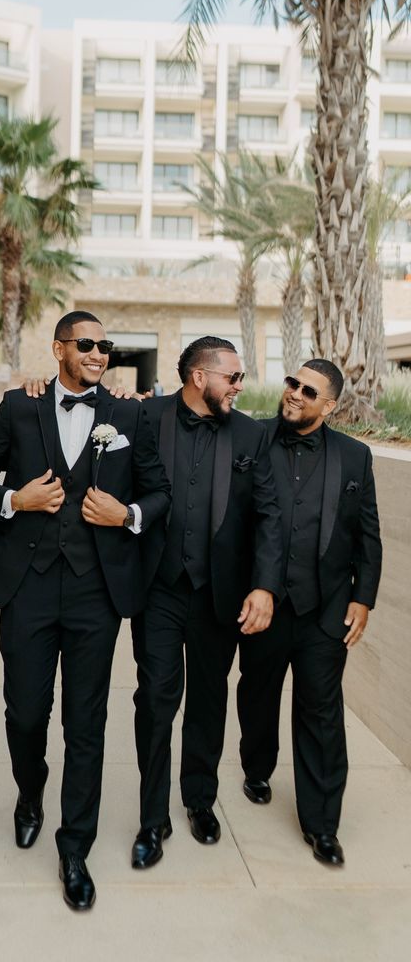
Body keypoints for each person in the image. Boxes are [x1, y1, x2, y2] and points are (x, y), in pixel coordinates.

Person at [0, 311, 170, 910]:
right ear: (58, 350)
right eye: (87, 344)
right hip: (25, 584)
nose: (100, 353)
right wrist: (11, 499)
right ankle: (30, 795)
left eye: (106, 345)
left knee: (87, 723)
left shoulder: (129, 414)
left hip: (94, 591)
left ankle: (74, 845)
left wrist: (126, 515)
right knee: (25, 713)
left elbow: (159, 491)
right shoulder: (20, 407)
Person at [130, 336, 282, 869]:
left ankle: (199, 799)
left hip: (220, 594)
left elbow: (269, 516)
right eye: (232, 377)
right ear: (200, 377)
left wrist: (263, 585)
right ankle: (153, 817)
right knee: (154, 700)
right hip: (158, 588)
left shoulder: (251, 434)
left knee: (208, 700)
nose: (240, 386)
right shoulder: (146, 417)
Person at [236, 361, 382, 866]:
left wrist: (364, 598)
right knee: (257, 693)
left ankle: (322, 825)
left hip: (326, 610)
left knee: (321, 712)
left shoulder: (355, 457)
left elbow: (368, 534)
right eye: (292, 383)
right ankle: (256, 766)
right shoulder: (251, 439)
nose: (294, 393)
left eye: (308, 390)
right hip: (263, 605)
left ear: (330, 405)